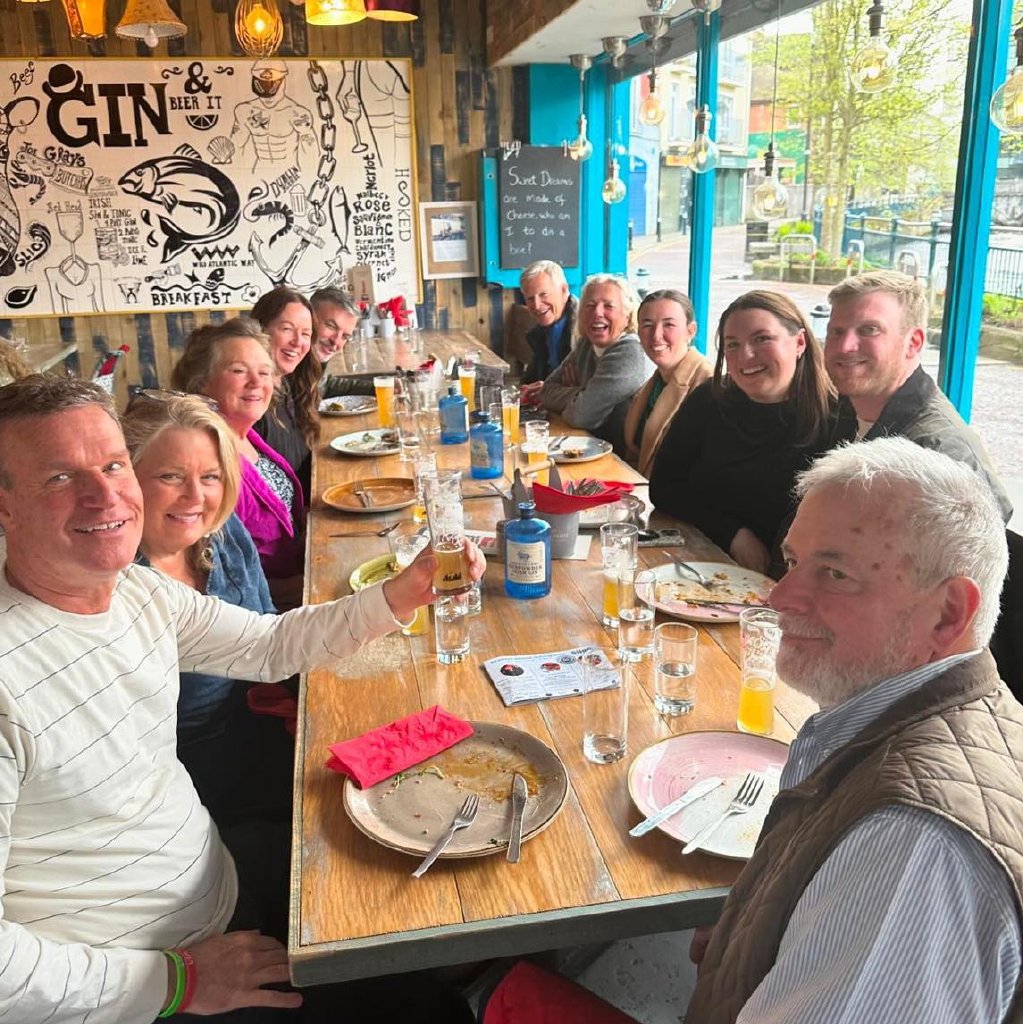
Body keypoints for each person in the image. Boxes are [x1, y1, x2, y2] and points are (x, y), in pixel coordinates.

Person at [0, 373, 485, 1022]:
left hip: (220, 883)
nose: (105, 494)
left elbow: (269, 644)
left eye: (113, 465)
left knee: (418, 923)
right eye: (60, 477)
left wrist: (405, 591)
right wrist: (176, 982)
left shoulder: (136, 593)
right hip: (148, 982)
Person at [686, 436, 1023, 1024]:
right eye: (792, 562)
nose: (779, 597)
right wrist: (752, 927)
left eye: (835, 573)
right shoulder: (895, 715)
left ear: (948, 614)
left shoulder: (912, 852)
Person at [123, 393, 294, 827]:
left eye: (210, 476)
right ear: (126, 479)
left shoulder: (223, 531)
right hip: (195, 793)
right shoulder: (117, 584)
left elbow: (270, 626)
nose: (195, 496)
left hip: (268, 735)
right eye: (171, 476)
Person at [650, 290, 835, 574]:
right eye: (733, 344)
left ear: (800, 342)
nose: (745, 355)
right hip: (701, 562)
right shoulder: (709, 399)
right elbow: (663, 487)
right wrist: (733, 533)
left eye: (762, 339)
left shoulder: (835, 418)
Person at [825, 270, 1012, 520]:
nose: (845, 346)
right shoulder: (848, 407)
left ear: (913, 343)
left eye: (869, 330)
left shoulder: (940, 453)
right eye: (836, 332)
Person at [172, 317, 305, 609]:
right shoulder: (209, 466)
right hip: (274, 613)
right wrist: (311, 584)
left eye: (264, 372)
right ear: (202, 381)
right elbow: (224, 583)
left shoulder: (246, 435)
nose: (257, 382)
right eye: (239, 370)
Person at [522, 273, 652, 455]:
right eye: (590, 306)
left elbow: (579, 416)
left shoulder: (629, 351)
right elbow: (546, 391)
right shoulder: (586, 345)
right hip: (592, 450)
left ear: (628, 316)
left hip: (625, 462)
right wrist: (584, 393)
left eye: (608, 306)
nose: (597, 312)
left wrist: (583, 397)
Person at [623, 288, 713, 477]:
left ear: (691, 331)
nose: (656, 335)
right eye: (647, 325)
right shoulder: (651, 384)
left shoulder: (708, 384)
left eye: (669, 325)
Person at [251, 286, 320, 501]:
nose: (298, 342)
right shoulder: (251, 402)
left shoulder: (295, 384)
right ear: (261, 330)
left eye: (306, 334)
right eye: (287, 329)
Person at [518, 260, 577, 384]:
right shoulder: (541, 332)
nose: (537, 305)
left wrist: (548, 389)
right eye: (530, 299)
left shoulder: (586, 330)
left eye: (543, 294)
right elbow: (530, 380)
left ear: (564, 290)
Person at [312, 285, 376, 398]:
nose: (336, 341)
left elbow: (324, 386)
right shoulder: (286, 367)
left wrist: (377, 388)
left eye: (345, 336)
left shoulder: (311, 363)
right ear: (308, 318)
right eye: (331, 326)